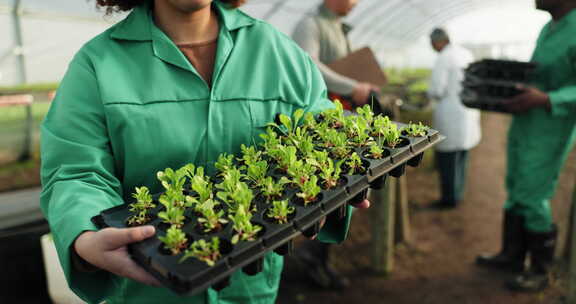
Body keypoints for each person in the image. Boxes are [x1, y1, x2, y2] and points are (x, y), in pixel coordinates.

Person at [39, 0, 369, 303]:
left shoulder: (279, 54)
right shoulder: (98, 64)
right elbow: (76, 169)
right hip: (147, 292)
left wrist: (336, 183)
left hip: (250, 291)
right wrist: (85, 232)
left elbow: (323, 136)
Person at [476, 0, 576, 292]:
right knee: (515, 187)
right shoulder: (549, 27)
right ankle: (512, 255)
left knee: (533, 195)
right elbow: (540, 74)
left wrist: (546, 99)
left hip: (550, 126)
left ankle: (540, 270)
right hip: (526, 122)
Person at [291, 0, 380, 289]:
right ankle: (310, 260)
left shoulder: (338, 27)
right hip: (320, 124)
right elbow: (308, 63)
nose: (355, 3)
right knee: (323, 193)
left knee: (339, 195)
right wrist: (352, 87)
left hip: (340, 121)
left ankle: (321, 259)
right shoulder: (310, 24)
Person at [426, 28, 481, 210]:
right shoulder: (466, 53)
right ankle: (458, 193)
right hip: (467, 112)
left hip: (451, 114)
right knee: (461, 156)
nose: (432, 46)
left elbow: (437, 90)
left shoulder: (444, 57)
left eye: (432, 43)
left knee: (448, 159)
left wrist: (427, 94)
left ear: (439, 41)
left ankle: (449, 199)